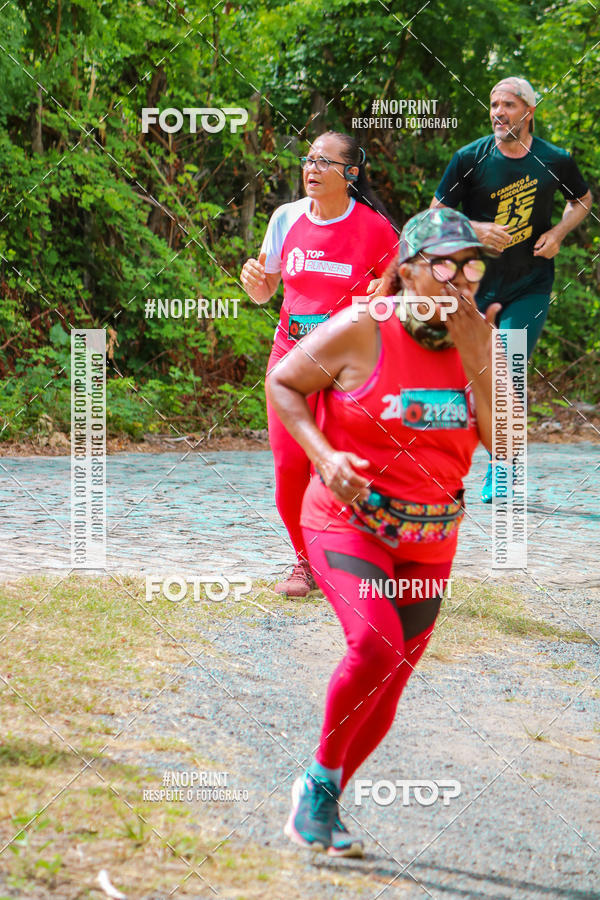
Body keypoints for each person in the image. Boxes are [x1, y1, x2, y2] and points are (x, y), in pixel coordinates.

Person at [266, 207, 501, 856]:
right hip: (348, 520)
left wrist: (480, 355)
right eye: (444, 264)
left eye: (471, 265)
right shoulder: (362, 329)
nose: (460, 279)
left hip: (432, 535)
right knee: (374, 644)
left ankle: (323, 791)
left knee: (393, 672)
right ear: (406, 272)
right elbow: (285, 383)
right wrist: (322, 454)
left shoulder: (480, 337)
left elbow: (505, 444)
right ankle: (320, 786)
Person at [241, 131, 398, 596]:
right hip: (289, 359)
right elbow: (266, 290)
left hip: (349, 366)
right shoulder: (285, 217)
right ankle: (306, 564)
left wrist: (386, 293)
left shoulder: (375, 228)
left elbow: (405, 293)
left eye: (324, 162)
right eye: (308, 160)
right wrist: (255, 283)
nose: (311, 168)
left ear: (350, 173)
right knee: (291, 470)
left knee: (343, 466)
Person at [431, 76, 592, 502]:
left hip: (529, 284)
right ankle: (455, 463)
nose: (498, 112)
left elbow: (583, 199)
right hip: (474, 286)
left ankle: (503, 467)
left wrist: (558, 232)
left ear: (529, 111)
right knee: (469, 376)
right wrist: (476, 227)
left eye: (508, 104)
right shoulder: (470, 157)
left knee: (509, 367)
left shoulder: (555, 160)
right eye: (493, 104)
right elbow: (435, 215)